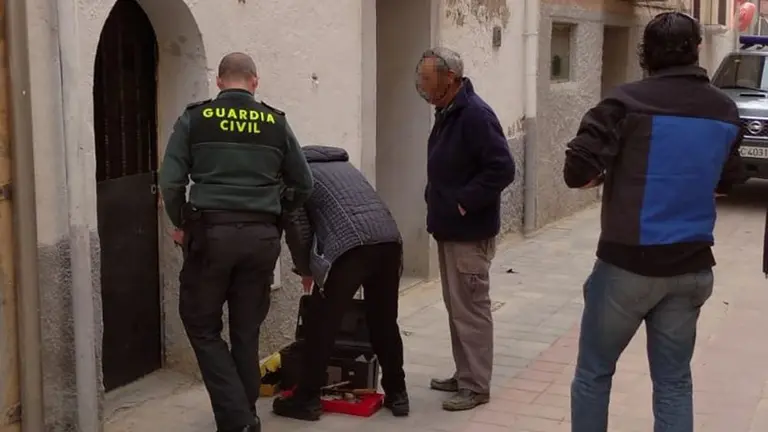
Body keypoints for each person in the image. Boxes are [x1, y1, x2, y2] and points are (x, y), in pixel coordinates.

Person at [563, 12, 745, 432]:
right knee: (674, 383)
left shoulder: (624, 103)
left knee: (593, 375)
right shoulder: (724, 111)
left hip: (627, 267)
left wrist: (608, 173)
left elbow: (577, 172)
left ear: (646, 52)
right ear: (697, 49)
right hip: (691, 267)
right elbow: (726, 181)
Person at [158, 52, 314, 432]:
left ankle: (238, 420)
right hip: (261, 239)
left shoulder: (196, 118)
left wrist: (182, 223)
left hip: (211, 236)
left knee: (201, 326)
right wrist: (275, 213)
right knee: (246, 332)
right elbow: (303, 184)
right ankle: (247, 416)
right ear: (255, 82)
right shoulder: (275, 122)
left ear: (219, 81)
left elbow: (171, 182)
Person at [271, 145, 409, 421]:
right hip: (389, 241)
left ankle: (306, 399)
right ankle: (398, 393)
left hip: (350, 247)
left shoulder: (296, 175)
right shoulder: (343, 166)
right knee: (383, 321)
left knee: (321, 323)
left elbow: (298, 227)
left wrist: (306, 270)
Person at [416, 47, 516, 411]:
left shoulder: (474, 115)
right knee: (457, 307)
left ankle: (476, 385)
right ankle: (465, 374)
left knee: (471, 308)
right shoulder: (448, 112)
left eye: (429, 80)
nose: (424, 87)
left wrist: (464, 201)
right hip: (450, 229)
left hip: (468, 233)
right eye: (422, 79)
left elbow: (502, 168)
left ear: (451, 79)